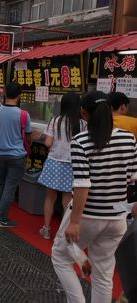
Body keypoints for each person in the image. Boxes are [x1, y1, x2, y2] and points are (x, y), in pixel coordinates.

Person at [51, 91, 137, 303]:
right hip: (118, 219)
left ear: (83, 113)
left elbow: (82, 185)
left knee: (60, 257)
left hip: (88, 216)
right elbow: (133, 177)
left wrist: (75, 221)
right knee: (104, 274)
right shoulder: (128, 138)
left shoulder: (81, 141)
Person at [37, 93, 85, 240]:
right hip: (73, 165)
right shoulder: (83, 124)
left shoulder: (56, 121)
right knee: (67, 201)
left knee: (50, 197)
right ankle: (63, 233)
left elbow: (48, 143)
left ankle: (46, 229)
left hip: (54, 162)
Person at [0, 82, 32, 228]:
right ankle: (2, 218)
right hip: (17, 155)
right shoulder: (23, 115)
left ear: (5, 93)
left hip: (0, 154)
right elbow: (28, 137)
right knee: (10, 186)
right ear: (20, 95)